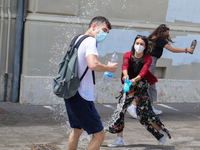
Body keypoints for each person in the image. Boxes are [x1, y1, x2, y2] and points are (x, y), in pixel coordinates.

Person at [64, 16, 118, 150]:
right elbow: (93, 64)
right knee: (99, 136)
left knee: (77, 130)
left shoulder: (77, 39)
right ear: (94, 26)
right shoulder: (90, 41)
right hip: (82, 96)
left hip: (71, 91)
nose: (104, 34)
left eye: (107, 32)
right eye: (104, 30)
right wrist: (108, 68)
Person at [107, 35, 171, 147]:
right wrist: (126, 75)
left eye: (141, 44)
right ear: (134, 44)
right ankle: (119, 140)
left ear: (145, 47)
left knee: (143, 115)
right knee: (120, 112)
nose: (139, 46)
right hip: (128, 86)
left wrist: (135, 79)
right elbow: (125, 66)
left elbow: (144, 72)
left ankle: (161, 133)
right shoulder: (128, 55)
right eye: (137, 43)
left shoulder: (148, 58)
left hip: (141, 86)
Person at [127, 24, 194, 118]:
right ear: (162, 32)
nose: (167, 36)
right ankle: (134, 105)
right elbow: (172, 49)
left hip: (145, 60)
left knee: (149, 84)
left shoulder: (151, 37)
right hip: (150, 62)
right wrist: (187, 50)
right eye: (166, 34)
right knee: (147, 83)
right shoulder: (159, 39)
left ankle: (150, 107)